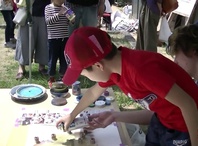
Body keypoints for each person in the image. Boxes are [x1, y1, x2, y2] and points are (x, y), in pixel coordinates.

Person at [56, 27, 198, 146]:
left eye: (83, 74)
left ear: (98, 66)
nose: (86, 77)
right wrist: (71, 115)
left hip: (185, 126)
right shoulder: (114, 69)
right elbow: (93, 93)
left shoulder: (141, 70)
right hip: (161, 120)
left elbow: (188, 105)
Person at [15, 0, 50, 80]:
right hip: (27, 13)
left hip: (45, 12)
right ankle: (21, 68)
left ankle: (42, 66)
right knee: (24, 41)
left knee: (43, 41)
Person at [45, 0, 69, 88]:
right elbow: (48, 21)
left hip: (64, 38)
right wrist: (59, 14)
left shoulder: (66, 8)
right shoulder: (48, 8)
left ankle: (62, 76)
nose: (61, 1)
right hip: (53, 39)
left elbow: (69, 22)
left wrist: (72, 19)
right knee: (53, 58)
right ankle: (51, 77)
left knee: (64, 58)